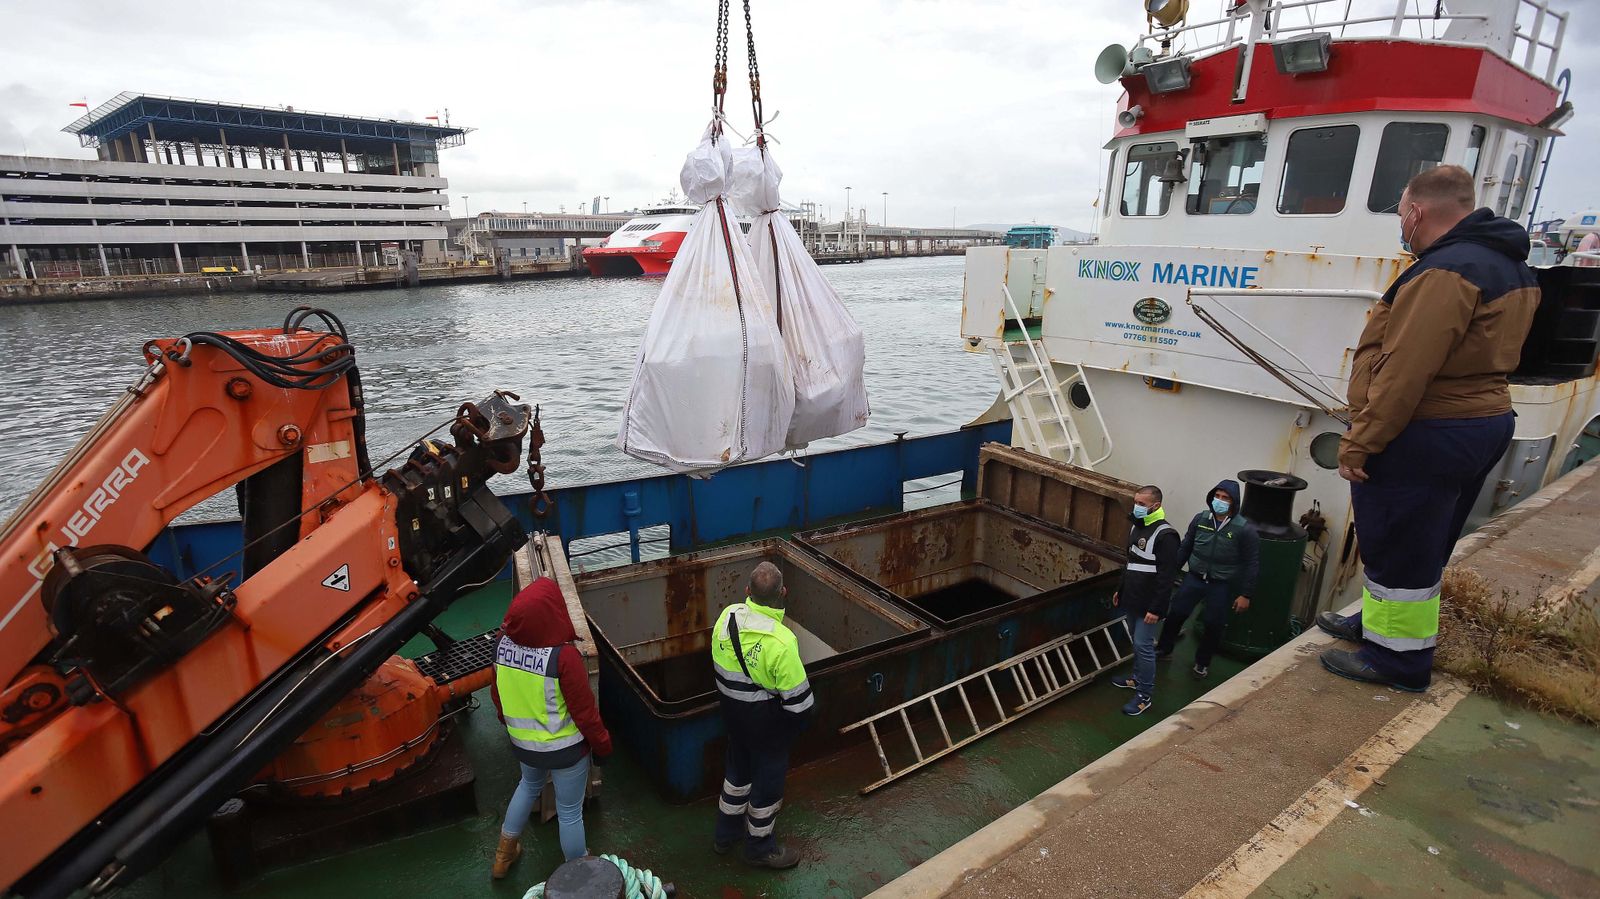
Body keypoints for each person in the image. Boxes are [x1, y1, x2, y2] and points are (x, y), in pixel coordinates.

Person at [1320, 165, 1539, 692]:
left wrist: (1360, 442)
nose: (1401, 224)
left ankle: (1397, 662)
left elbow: (1405, 371)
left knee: (1398, 540)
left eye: (1401, 213)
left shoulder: (1446, 272)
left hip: (1429, 427)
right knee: (1425, 538)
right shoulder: (1508, 265)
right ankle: (1379, 626)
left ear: (1417, 212)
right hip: (1480, 420)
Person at [489, 577, 612, 879]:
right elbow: (585, 713)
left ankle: (503, 856)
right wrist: (603, 746)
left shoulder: (501, 645)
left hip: (524, 745)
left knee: (527, 786)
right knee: (569, 812)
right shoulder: (563, 657)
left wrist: (510, 725)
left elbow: (497, 693)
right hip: (565, 750)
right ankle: (579, 874)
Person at [711, 561, 814, 869]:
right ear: (783, 593)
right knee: (767, 789)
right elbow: (801, 706)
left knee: (736, 777)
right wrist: (786, 734)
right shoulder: (782, 642)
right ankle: (759, 848)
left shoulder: (727, 617)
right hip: (765, 726)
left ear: (747, 591)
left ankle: (725, 835)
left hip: (732, 717)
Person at [1155, 479, 1259, 680]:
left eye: (1225, 498)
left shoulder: (1244, 530)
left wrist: (1246, 594)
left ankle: (1202, 663)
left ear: (1234, 502)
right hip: (1194, 578)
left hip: (1220, 584)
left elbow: (1252, 563)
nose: (1220, 500)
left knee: (1213, 624)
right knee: (1176, 613)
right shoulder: (1200, 519)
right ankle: (1164, 649)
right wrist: (1170, 573)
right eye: (1217, 496)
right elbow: (1185, 546)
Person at [1110, 485, 1181, 716]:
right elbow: (1130, 562)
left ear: (1155, 506)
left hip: (1149, 604)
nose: (1137, 507)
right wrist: (1120, 590)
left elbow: (1167, 577)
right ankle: (1136, 677)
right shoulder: (1137, 526)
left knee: (1143, 644)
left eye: (1142, 504)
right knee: (1135, 639)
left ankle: (1144, 695)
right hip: (1132, 596)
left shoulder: (1166, 536)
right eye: (1136, 502)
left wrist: (1157, 608)